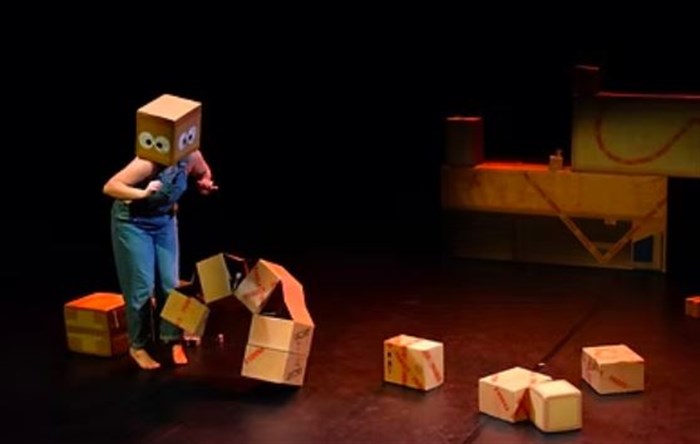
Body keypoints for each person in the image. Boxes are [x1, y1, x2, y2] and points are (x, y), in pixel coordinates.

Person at [103, 150, 217, 370]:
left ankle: (172, 340)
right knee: (141, 287)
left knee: (170, 284)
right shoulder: (148, 162)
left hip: (164, 221)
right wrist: (143, 193)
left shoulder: (191, 156)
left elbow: (203, 172)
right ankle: (138, 346)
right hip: (133, 223)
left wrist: (205, 183)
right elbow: (110, 187)